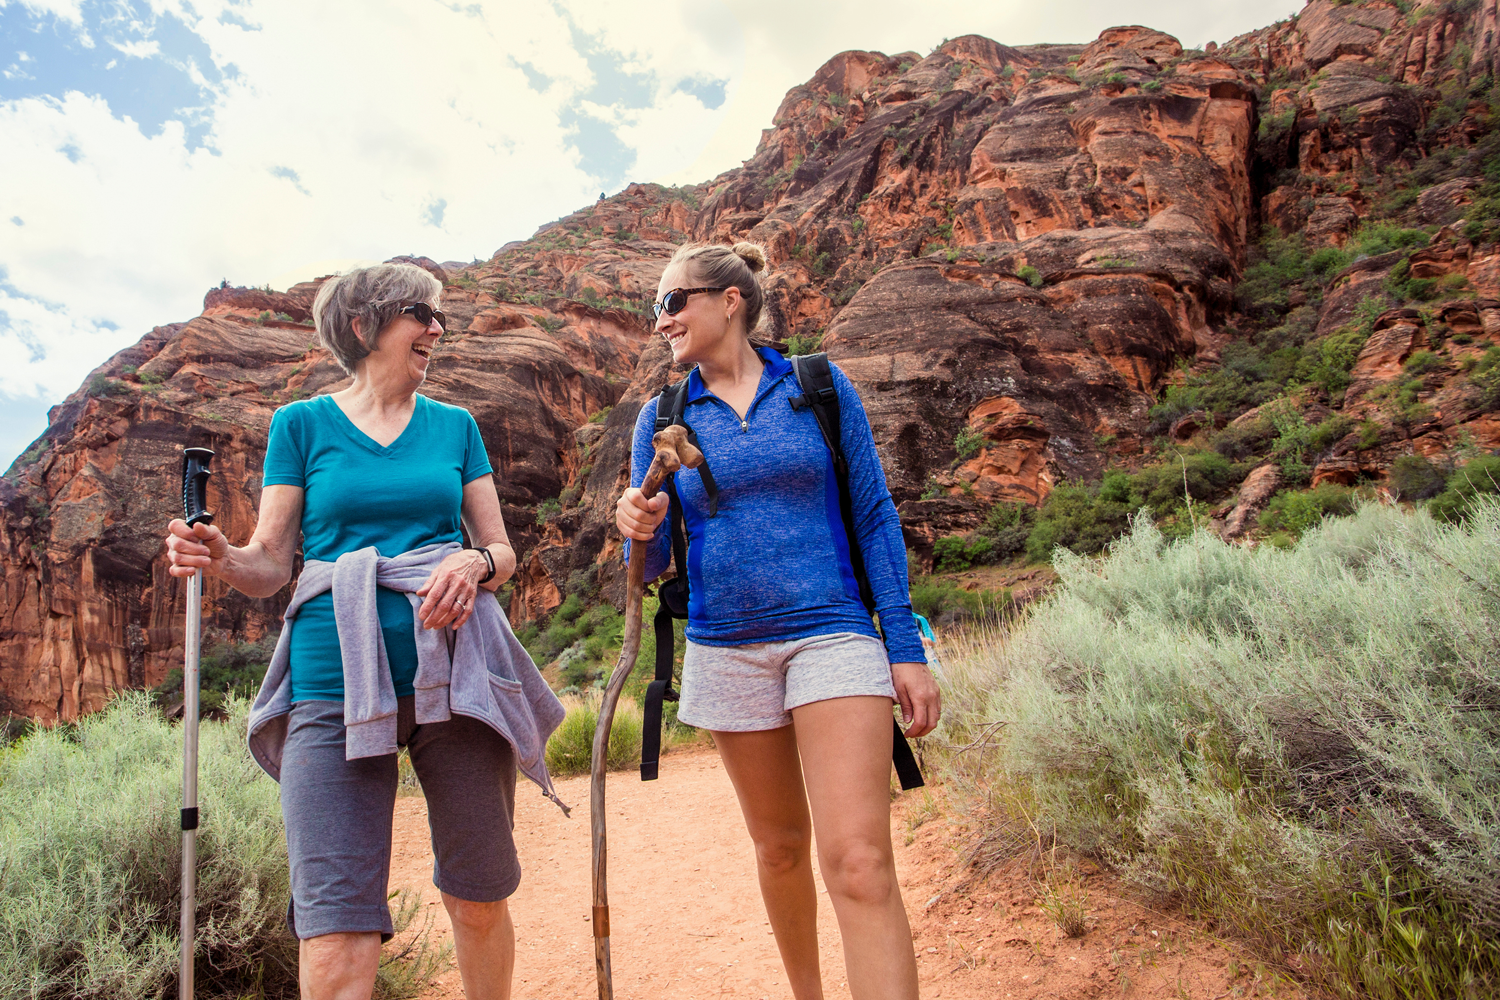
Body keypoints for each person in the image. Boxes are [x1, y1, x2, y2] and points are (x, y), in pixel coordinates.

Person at [165, 262, 564, 1000]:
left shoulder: (457, 427)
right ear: (364, 324)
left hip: (457, 677)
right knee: (335, 924)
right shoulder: (301, 425)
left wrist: (474, 566)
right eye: (422, 313)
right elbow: (270, 564)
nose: (438, 329)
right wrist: (222, 556)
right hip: (329, 683)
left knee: (478, 899)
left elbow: (503, 551)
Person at [615, 242, 942, 1000]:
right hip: (726, 646)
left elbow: (873, 514)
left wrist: (904, 646)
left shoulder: (821, 388)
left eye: (671, 302)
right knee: (780, 849)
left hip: (833, 631)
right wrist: (638, 523)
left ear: (728, 299)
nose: (660, 321)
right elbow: (654, 563)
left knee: (858, 860)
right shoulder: (661, 418)